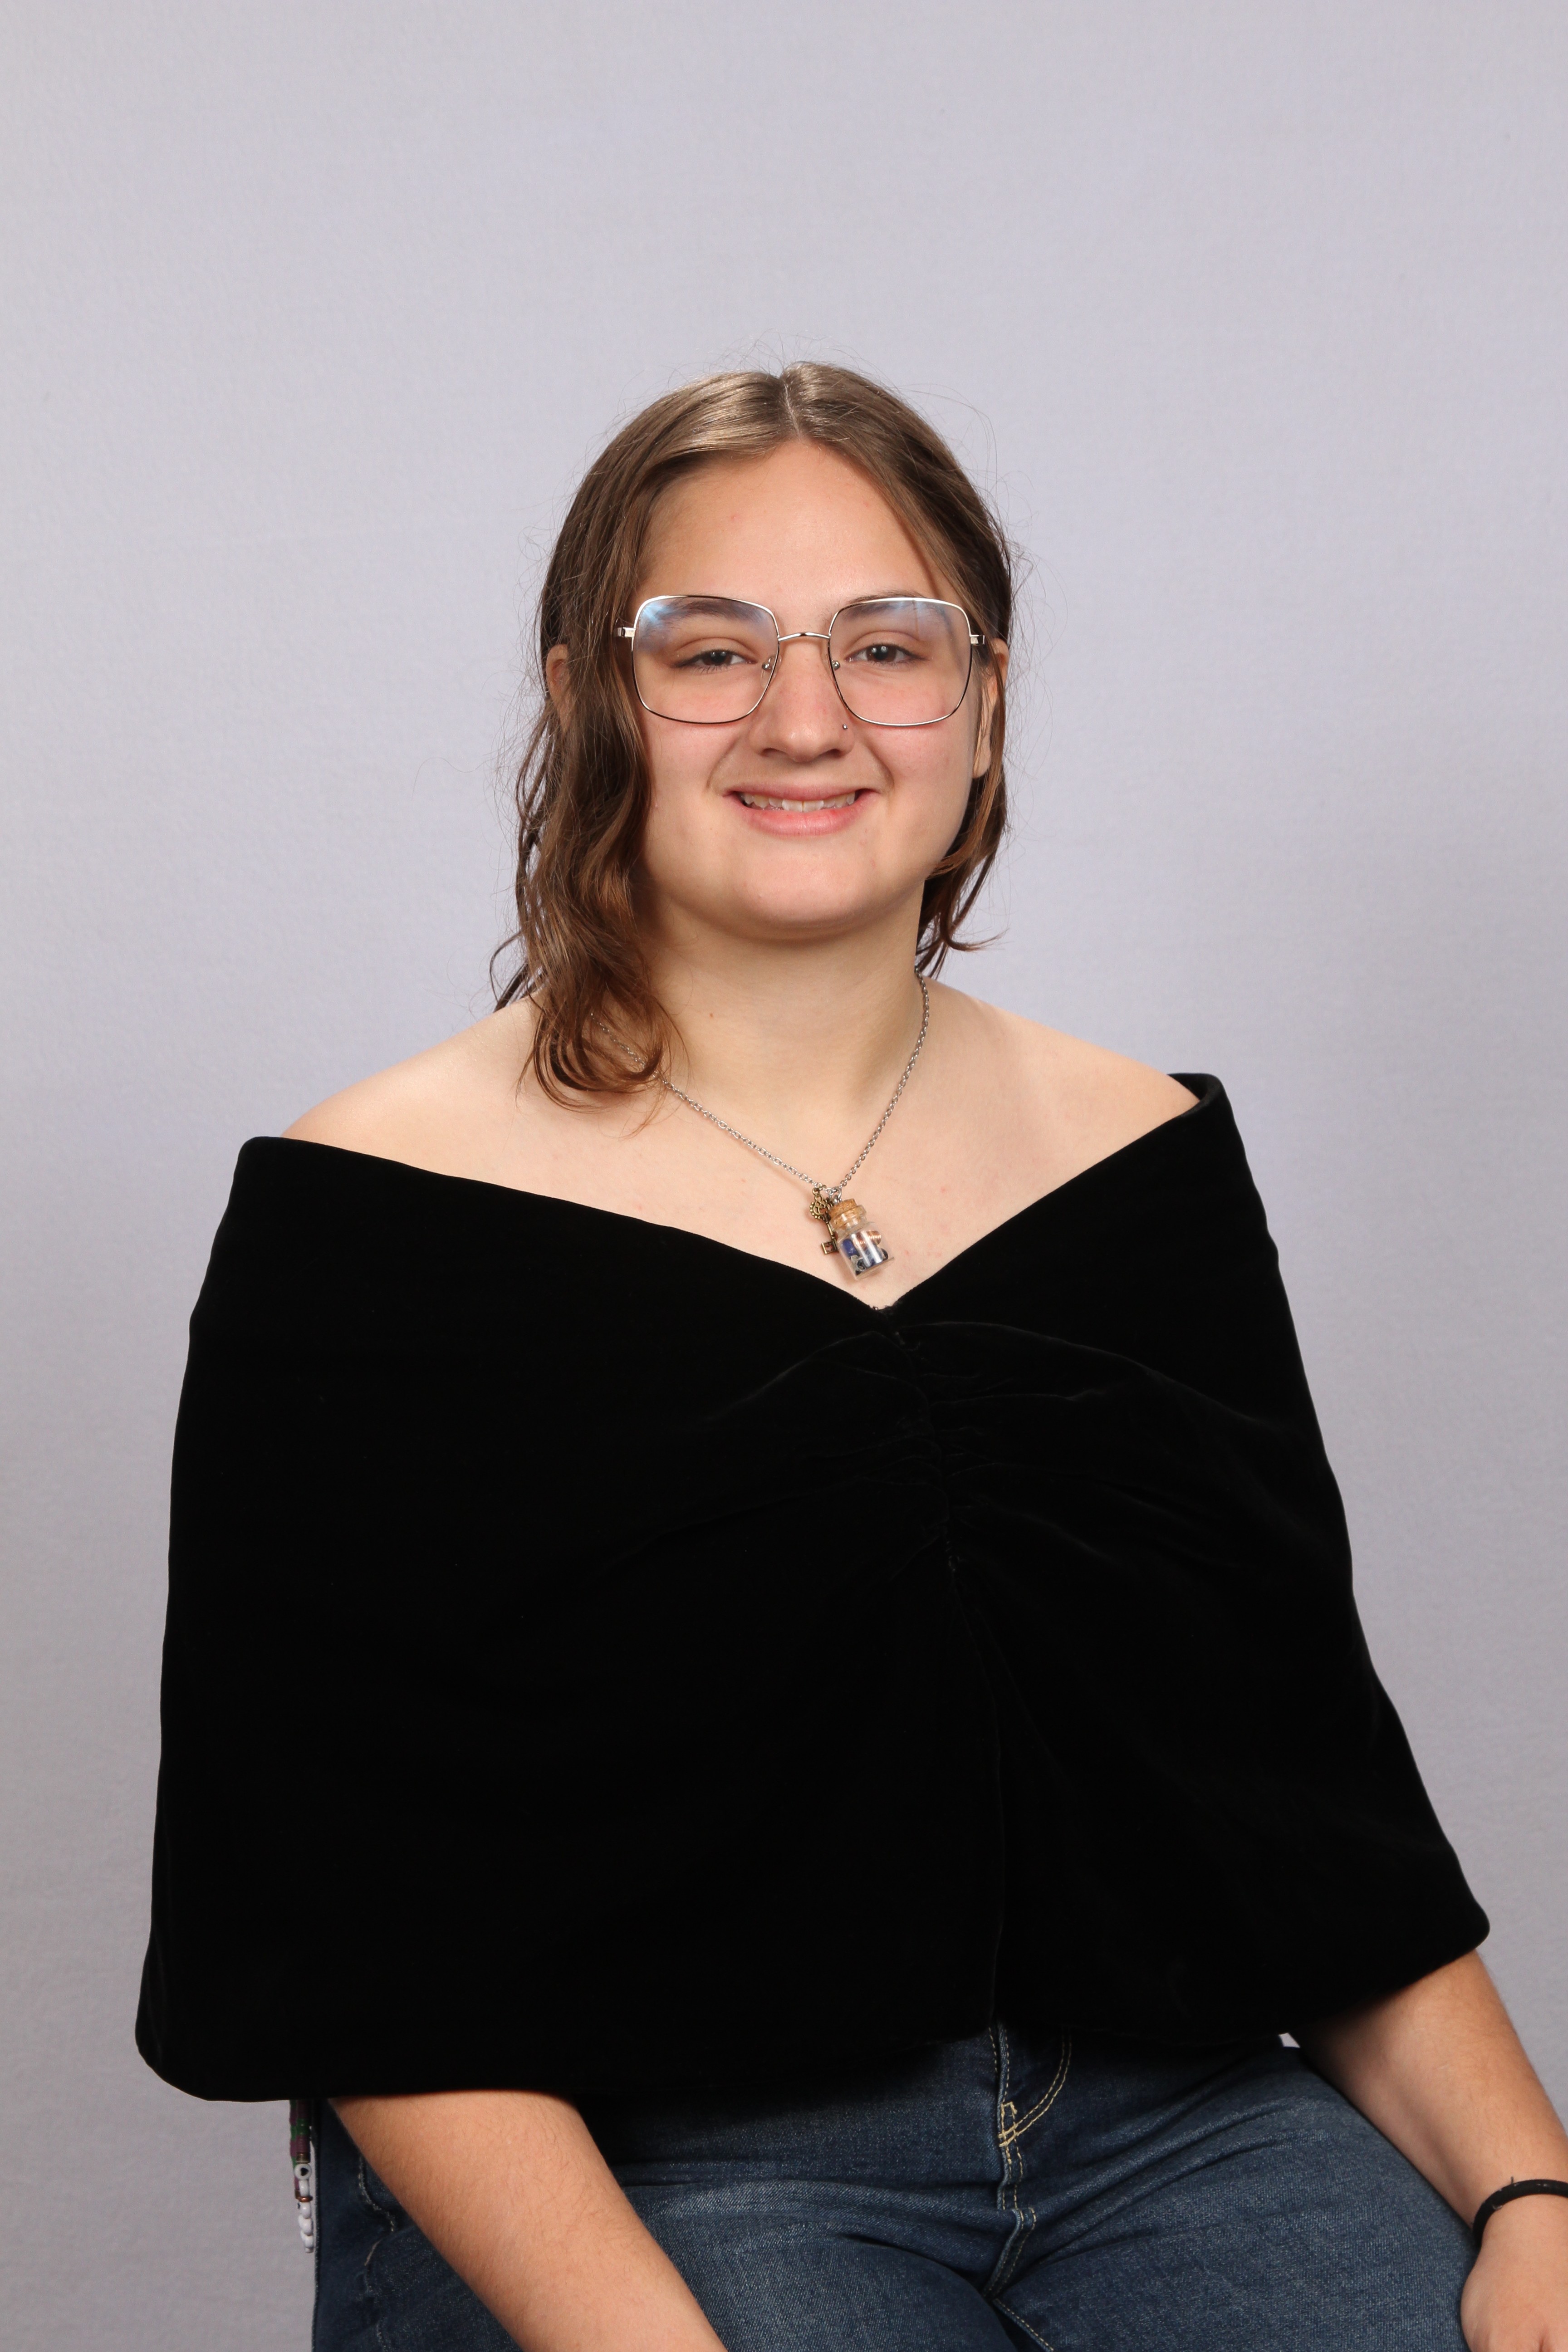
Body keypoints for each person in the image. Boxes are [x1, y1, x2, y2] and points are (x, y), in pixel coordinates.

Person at [137, 365, 1568, 2352]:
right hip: (650, 2157)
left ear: (981, 703)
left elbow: (1305, 1804)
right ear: (583, 700)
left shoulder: (1143, 1156)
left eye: (887, 646)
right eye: (711, 649)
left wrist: (1532, 2196)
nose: (805, 719)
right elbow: (344, 1929)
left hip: (1178, 2126)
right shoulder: (368, 1213)